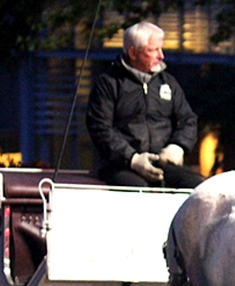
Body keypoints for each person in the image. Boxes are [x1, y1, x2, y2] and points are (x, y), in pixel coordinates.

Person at [85, 22, 205, 189]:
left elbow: (188, 120)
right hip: (119, 164)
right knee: (139, 189)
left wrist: (178, 147)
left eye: (161, 49)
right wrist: (132, 159)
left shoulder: (168, 82)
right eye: (153, 50)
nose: (161, 56)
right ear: (133, 52)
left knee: (198, 186)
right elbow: (100, 128)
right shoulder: (109, 84)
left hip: (163, 163)